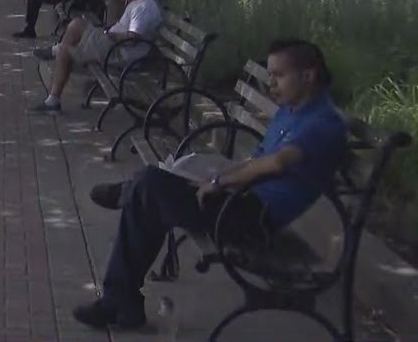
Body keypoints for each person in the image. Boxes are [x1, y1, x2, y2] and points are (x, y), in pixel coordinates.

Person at [74, 39, 347, 329]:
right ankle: (121, 301)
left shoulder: (323, 123)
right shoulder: (291, 110)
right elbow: (257, 161)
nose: (271, 84)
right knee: (148, 196)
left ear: (308, 75)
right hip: (239, 199)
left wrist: (219, 181)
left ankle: (120, 294)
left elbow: (277, 163)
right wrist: (215, 176)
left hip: (254, 218)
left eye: (279, 75)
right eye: (270, 76)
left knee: (148, 185)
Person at [31, 0, 162, 113]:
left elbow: (132, 38)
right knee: (77, 24)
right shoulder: (138, 2)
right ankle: (55, 50)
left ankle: (53, 101)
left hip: (119, 52)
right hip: (114, 46)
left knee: (65, 51)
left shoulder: (142, 8)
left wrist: (111, 36)